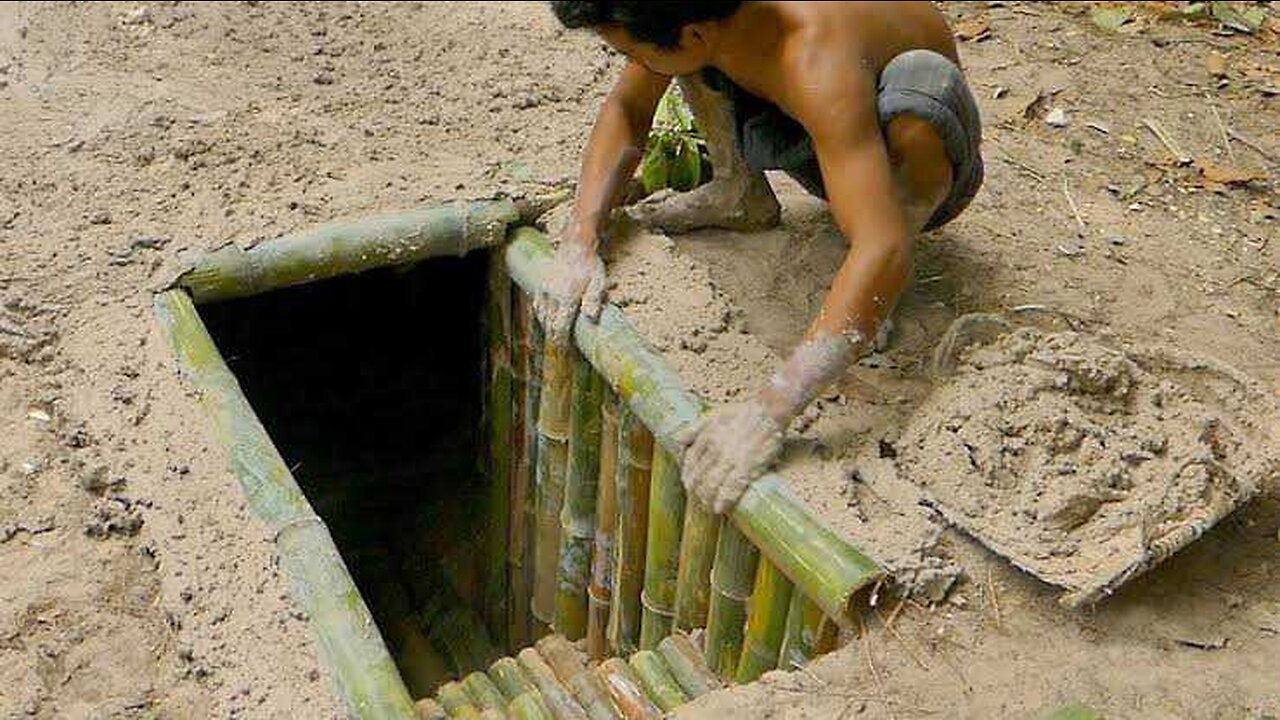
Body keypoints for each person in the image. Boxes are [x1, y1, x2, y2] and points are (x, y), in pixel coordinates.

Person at [538, 1, 983, 514]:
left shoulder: (819, 64)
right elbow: (628, 108)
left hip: (910, 142)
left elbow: (880, 244)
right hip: (818, 123)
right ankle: (738, 192)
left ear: (695, 33)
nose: (622, 58)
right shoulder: (713, 23)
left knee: (919, 94)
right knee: (668, 60)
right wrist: (581, 238)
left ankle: (878, 284)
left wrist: (768, 412)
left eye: (622, 48)